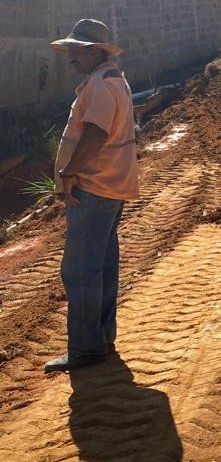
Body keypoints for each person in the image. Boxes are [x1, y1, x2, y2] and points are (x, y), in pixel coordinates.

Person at [45, 19, 139, 373]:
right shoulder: (115, 79)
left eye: (76, 50)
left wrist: (69, 172)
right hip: (111, 185)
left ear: (94, 51)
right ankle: (102, 340)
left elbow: (96, 133)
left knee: (81, 269)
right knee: (102, 265)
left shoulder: (100, 85)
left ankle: (86, 348)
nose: (70, 57)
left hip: (94, 187)